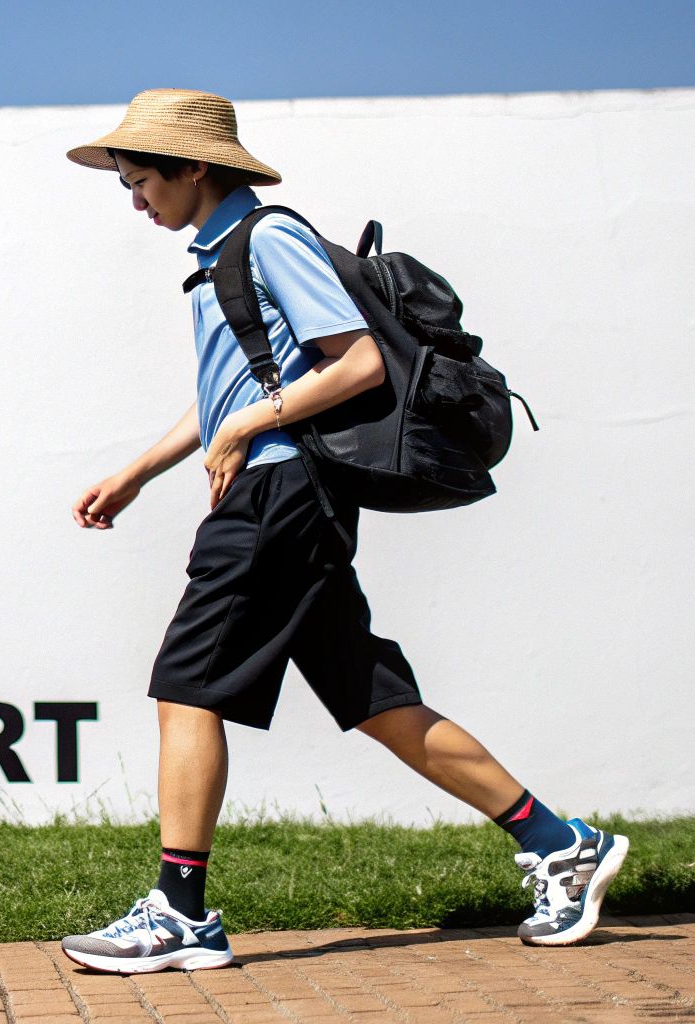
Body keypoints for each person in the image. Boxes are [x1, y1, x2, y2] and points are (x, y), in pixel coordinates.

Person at [55, 89, 629, 974]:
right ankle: (560, 844)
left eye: (139, 180)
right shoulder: (219, 256)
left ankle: (180, 913)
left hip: (278, 495)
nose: (135, 200)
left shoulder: (268, 239)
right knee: (374, 699)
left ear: (194, 166)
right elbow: (229, 393)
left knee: (186, 688)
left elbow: (356, 362)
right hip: (283, 490)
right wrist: (139, 470)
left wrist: (250, 428)